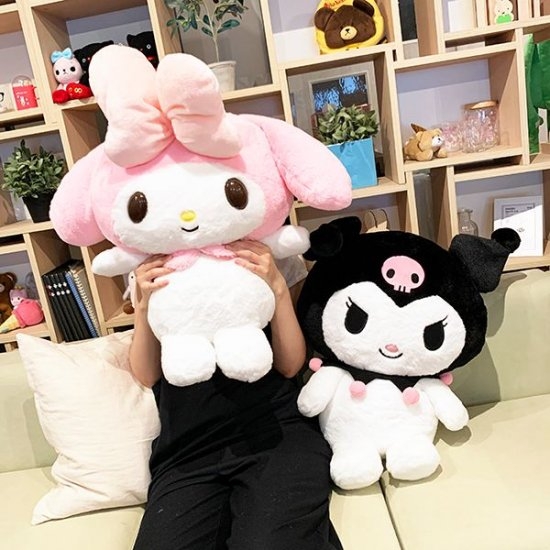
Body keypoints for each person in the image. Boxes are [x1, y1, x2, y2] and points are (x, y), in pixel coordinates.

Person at [130, 240, 342, 550]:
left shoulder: (268, 253)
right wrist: (143, 305)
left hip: (276, 433)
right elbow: (148, 374)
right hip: (188, 448)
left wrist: (277, 287)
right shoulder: (153, 261)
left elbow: (290, 365)